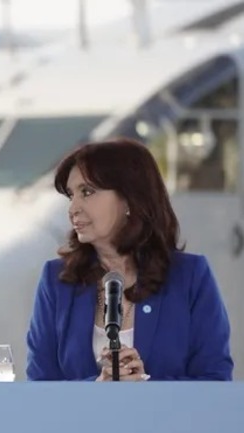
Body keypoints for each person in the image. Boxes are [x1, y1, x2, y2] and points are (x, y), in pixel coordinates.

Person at [25, 138, 233, 381]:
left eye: (87, 192)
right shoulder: (57, 280)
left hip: (167, 421)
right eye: (71, 195)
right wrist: (96, 388)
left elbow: (215, 381)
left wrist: (144, 387)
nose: (73, 208)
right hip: (82, 421)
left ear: (129, 199)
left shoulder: (191, 276)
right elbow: (38, 388)